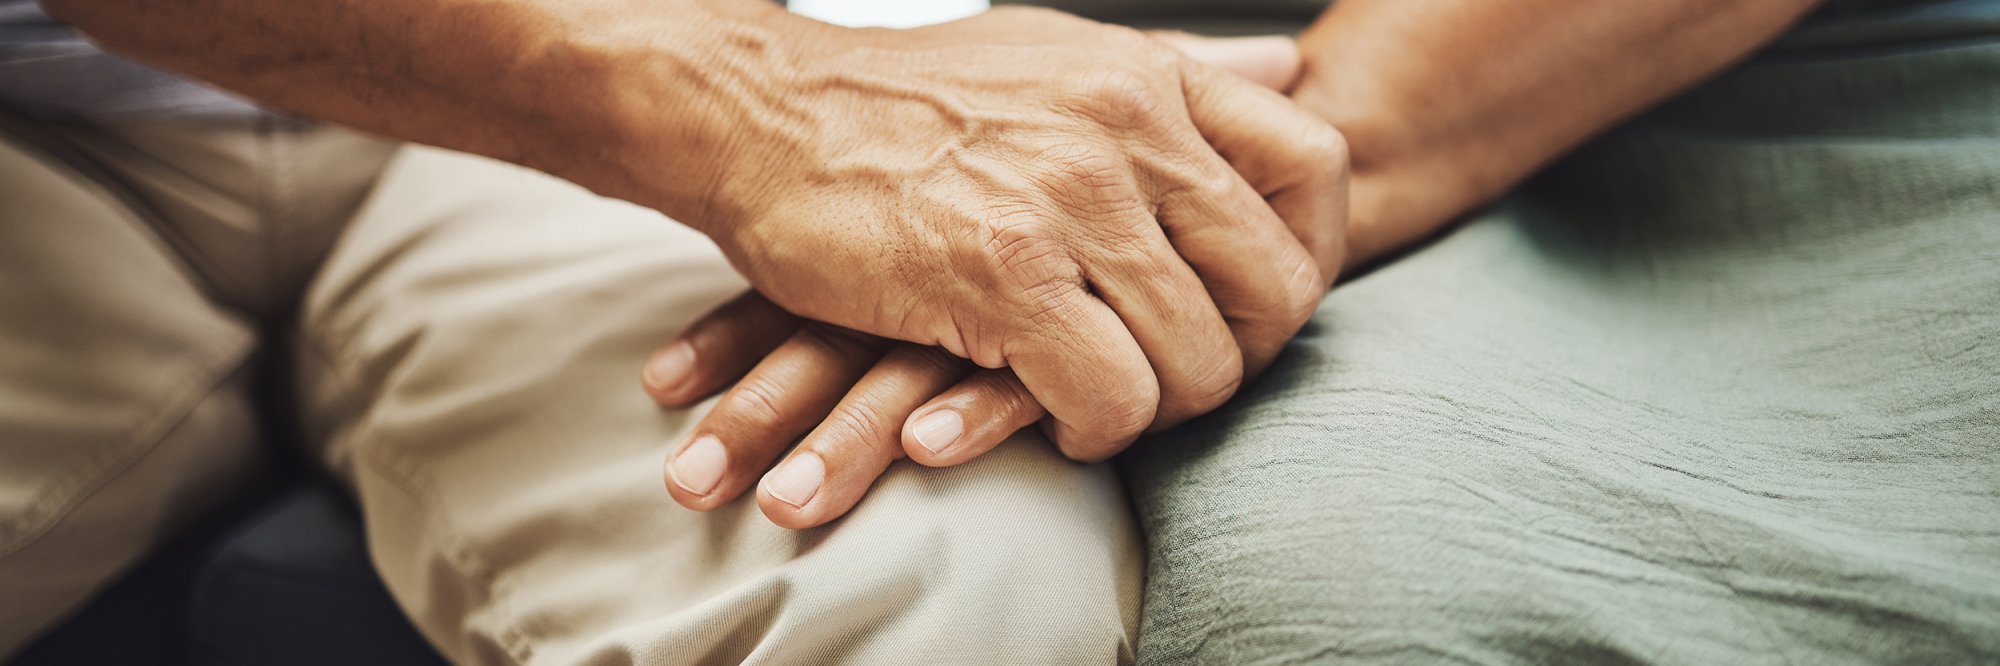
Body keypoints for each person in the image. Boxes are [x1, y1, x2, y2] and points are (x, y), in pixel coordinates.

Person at [4, 1, 1996, 664]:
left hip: (728, 83)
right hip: (648, 84)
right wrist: (733, 106)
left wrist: (1173, 209)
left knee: (923, 594)